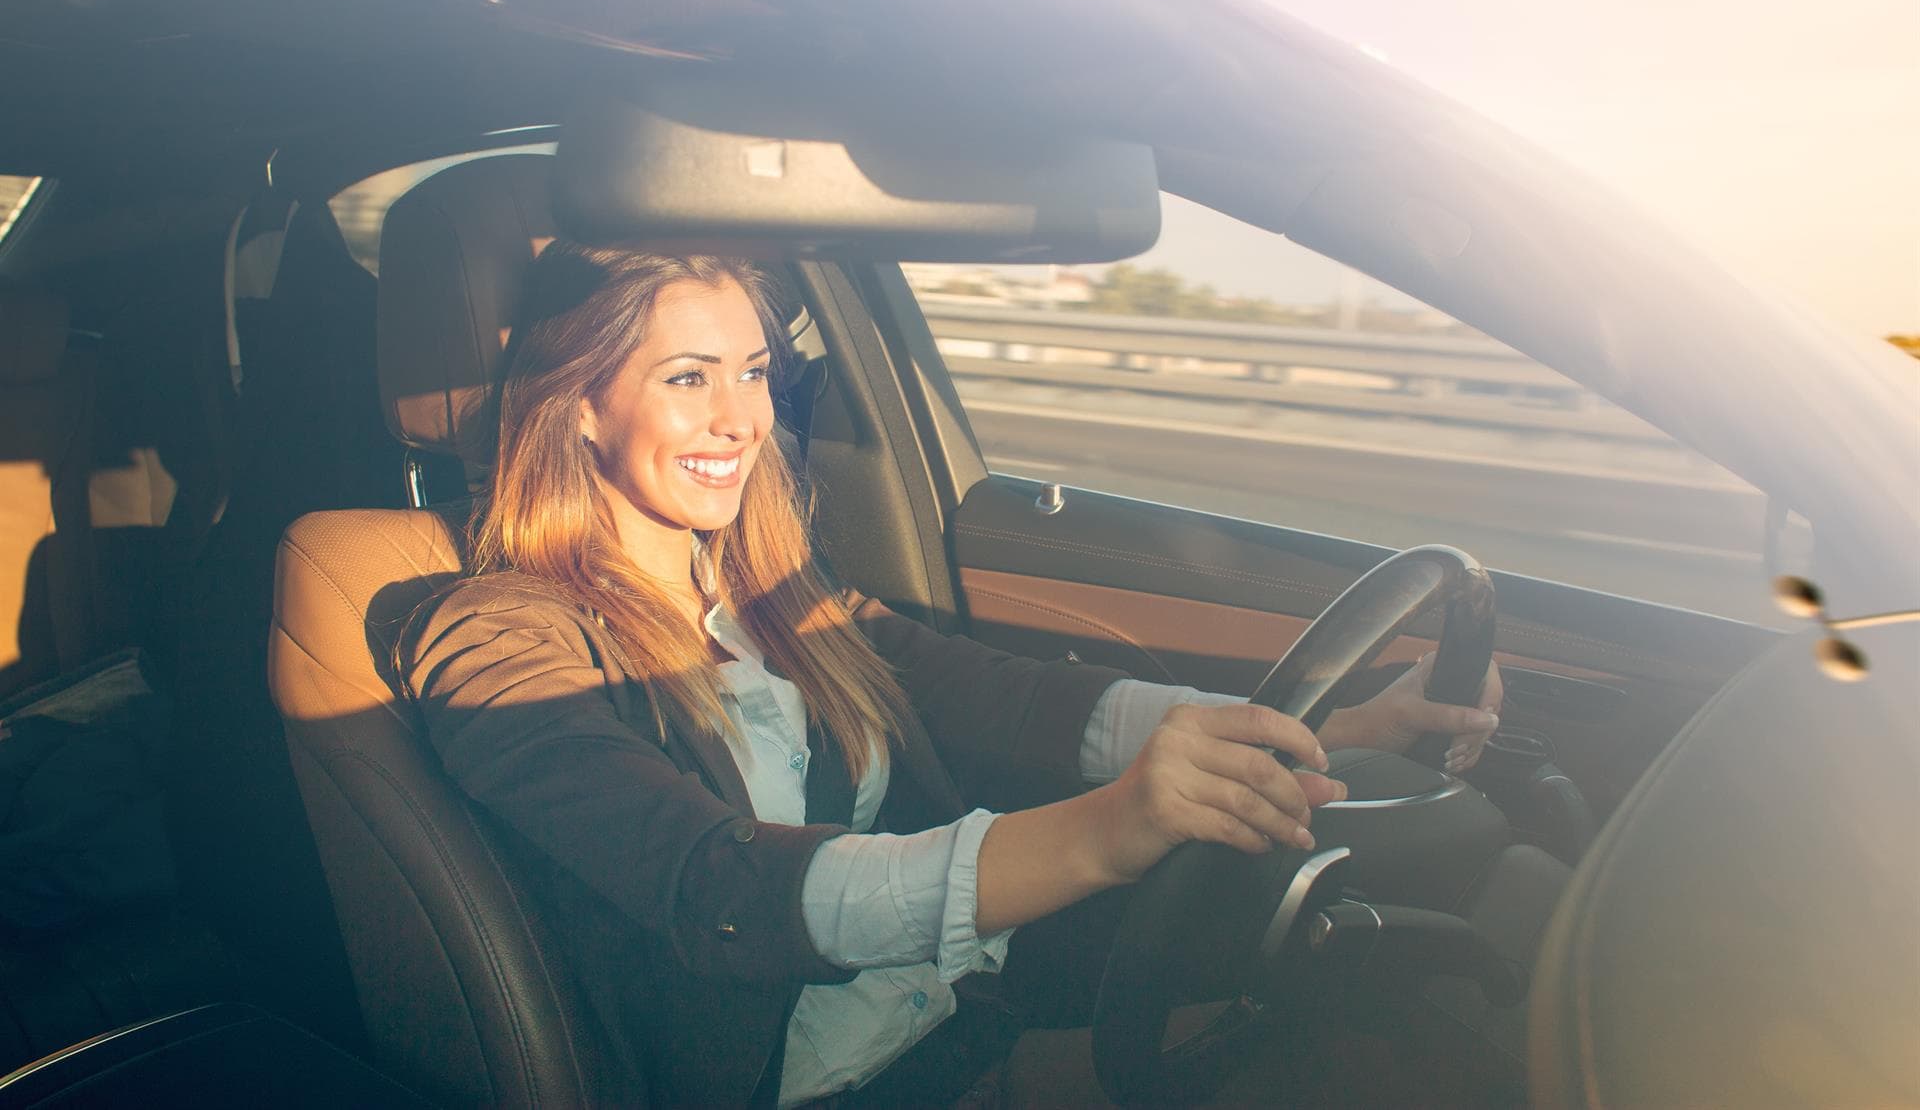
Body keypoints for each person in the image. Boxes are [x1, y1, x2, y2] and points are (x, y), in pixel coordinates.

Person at [400, 244, 1503, 1107]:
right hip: (824, 1088)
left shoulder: (769, 586)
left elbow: (1001, 694)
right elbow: (719, 892)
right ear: (580, 404)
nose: (741, 420)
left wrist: (1335, 719)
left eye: (752, 373)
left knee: (1398, 1034)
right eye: (688, 378)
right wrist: (1107, 830)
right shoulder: (498, 641)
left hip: (963, 1020)